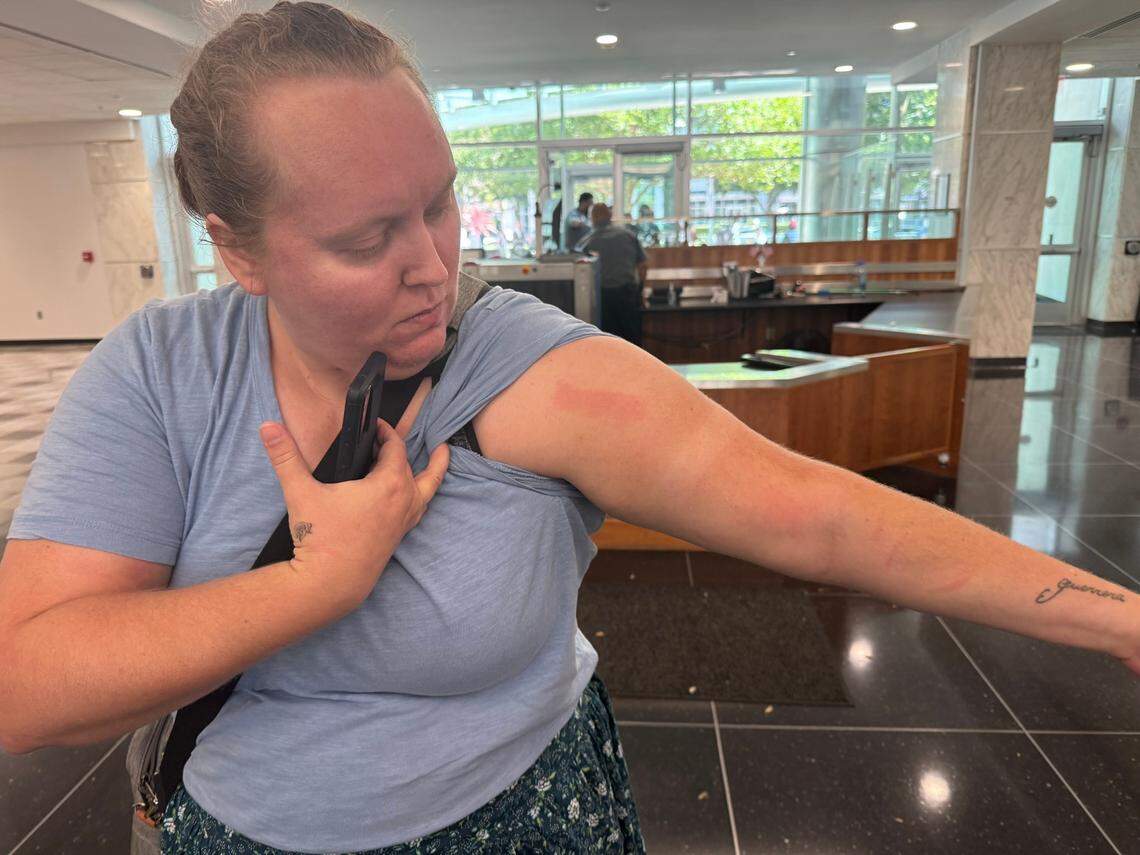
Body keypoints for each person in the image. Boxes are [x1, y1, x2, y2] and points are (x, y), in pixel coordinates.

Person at [0, 4, 1136, 855]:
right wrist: (316, 585)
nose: (432, 265)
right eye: (366, 240)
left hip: (525, 817)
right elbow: (27, 688)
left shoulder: (526, 366)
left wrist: (1119, 617)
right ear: (235, 248)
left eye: (440, 203)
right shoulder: (161, 371)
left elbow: (820, 515)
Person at [579, 203, 647, 347]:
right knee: (633, 341)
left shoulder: (586, 242)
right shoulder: (628, 235)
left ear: (592, 218)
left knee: (608, 343)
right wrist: (640, 291)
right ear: (610, 215)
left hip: (603, 299)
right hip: (628, 295)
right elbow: (643, 266)